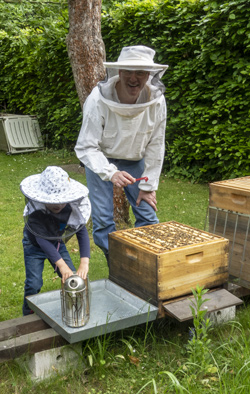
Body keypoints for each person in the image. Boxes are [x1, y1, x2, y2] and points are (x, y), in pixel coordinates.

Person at [75, 45, 168, 263]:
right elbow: (86, 146)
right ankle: (118, 267)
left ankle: (145, 267)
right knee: (103, 222)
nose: (134, 78)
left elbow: (156, 144)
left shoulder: (157, 101)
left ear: (149, 75)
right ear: (119, 73)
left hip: (136, 161)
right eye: (128, 71)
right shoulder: (97, 99)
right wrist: (110, 172)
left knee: (147, 215)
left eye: (140, 72)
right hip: (101, 160)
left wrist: (148, 186)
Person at [20, 166, 91, 315]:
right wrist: (61, 265)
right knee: (34, 283)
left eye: (62, 201)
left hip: (56, 243)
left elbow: (82, 232)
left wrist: (84, 262)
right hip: (34, 247)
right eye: (53, 202)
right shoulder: (35, 213)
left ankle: (75, 307)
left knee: (71, 277)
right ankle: (28, 313)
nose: (58, 205)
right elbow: (43, 241)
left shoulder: (71, 208)